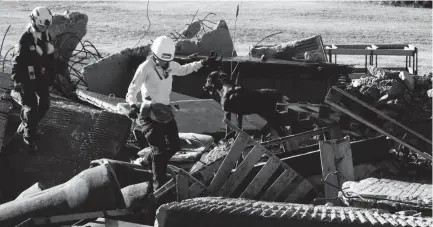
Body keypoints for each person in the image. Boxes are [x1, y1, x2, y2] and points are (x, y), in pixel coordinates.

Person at [126, 35, 218, 191]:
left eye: (167, 61)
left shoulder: (169, 65)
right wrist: (132, 105)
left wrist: (203, 63)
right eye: (162, 60)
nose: (165, 63)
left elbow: (184, 69)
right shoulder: (145, 67)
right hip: (149, 114)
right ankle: (158, 186)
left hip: (165, 112)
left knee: (174, 146)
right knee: (160, 150)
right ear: (155, 55)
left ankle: (147, 160)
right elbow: (132, 89)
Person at [11, 6, 56, 152]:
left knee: (45, 104)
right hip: (25, 76)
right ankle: (28, 138)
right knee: (31, 108)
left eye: (46, 26)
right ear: (34, 21)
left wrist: (51, 75)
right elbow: (17, 61)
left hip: (40, 75)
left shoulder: (46, 36)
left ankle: (28, 126)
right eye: (41, 25)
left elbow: (48, 59)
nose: (43, 28)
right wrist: (16, 80)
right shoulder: (25, 38)